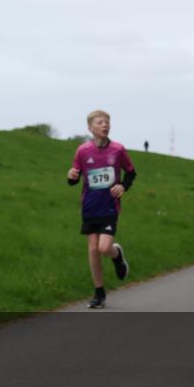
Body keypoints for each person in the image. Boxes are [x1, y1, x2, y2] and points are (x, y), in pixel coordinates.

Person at [67, 110, 136, 308]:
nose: (105, 125)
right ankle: (99, 293)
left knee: (104, 248)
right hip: (89, 206)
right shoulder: (82, 151)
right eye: (100, 122)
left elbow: (131, 173)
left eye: (107, 122)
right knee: (92, 250)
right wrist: (71, 176)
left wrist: (123, 185)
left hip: (109, 206)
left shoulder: (118, 150)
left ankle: (117, 255)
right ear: (90, 127)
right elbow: (75, 177)